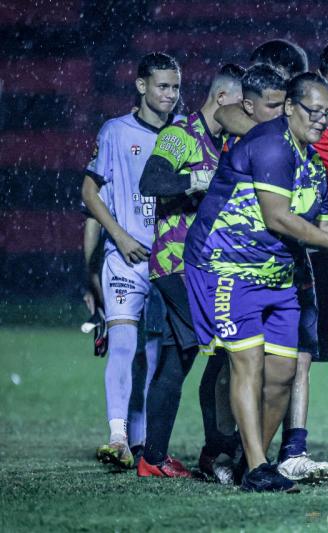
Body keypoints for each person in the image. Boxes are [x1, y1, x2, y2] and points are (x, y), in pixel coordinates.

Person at [184, 72, 328, 493]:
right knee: (248, 363)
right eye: (313, 111)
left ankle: (251, 465)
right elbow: (278, 217)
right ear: (290, 108)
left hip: (278, 276)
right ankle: (261, 465)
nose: (321, 120)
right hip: (226, 268)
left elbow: (314, 220)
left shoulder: (312, 162)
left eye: (327, 113)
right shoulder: (268, 145)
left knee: (282, 374)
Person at [136, 63, 245, 479]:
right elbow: (152, 179)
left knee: (179, 360)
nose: (247, 114)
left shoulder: (226, 143)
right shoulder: (180, 135)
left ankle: (155, 456)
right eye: (242, 106)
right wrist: (196, 179)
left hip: (202, 269)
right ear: (223, 99)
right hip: (177, 267)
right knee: (225, 352)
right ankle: (217, 451)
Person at [80, 52, 181, 469]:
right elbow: (90, 194)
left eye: (176, 87)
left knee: (153, 355)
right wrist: (117, 240)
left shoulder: (183, 132)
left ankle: (140, 443)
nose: (170, 95)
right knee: (123, 343)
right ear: (141, 86)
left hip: (169, 261)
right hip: (125, 258)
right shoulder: (116, 132)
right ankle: (117, 435)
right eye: (163, 86)